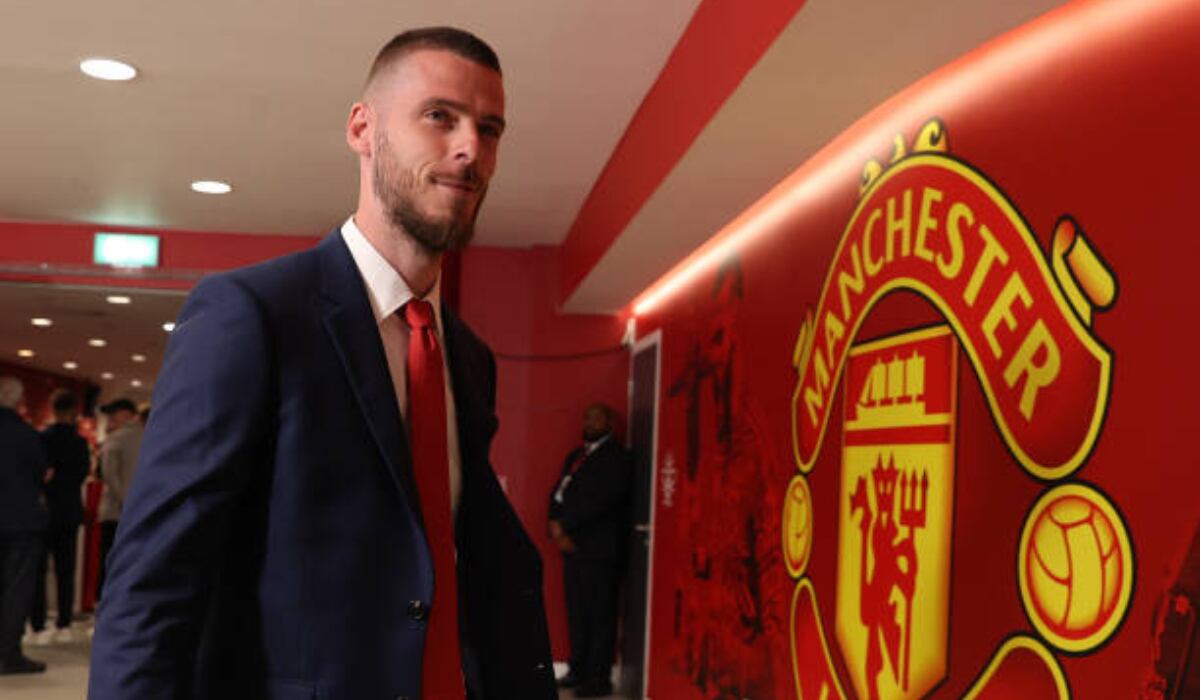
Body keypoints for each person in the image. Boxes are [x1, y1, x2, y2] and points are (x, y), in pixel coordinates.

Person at [89, 27, 555, 699]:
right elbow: (155, 581)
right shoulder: (252, 314)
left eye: (490, 128)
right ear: (363, 129)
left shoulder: (469, 358)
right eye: (440, 117)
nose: (469, 149)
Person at [547, 403, 633, 697]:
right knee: (577, 613)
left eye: (596, 417)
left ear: (609, 421)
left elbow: (601, 502)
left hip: (599, 552)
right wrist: (554, 524)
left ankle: (598, 679)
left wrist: (566, 526)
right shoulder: (577, 456)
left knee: (600, 616)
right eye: (587, 416)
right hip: (572, 551)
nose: (590, 421)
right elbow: (558, 492)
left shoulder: (617, 458)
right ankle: (578, 669)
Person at [28, 390, 91, 644]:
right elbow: (82, 474)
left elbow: (36, 474)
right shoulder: (79, 443)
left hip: (43, 511)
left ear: (53, 410)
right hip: (70, 511)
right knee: (66, 570)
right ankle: (64, 622)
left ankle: (38, 623)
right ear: (73, 411)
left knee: (39, 571)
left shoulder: (42, 439)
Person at [0, 377, 49, 675]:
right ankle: (8, 652)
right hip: (21, 522)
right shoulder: (27, 436)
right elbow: (41, 474)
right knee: (16, 589)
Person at [94, 397, 143, 603]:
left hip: (116, 512)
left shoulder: (115, 439)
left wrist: (125, 499)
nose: (111, 419)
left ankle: (104, 610)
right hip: (142, 512)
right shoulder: (150, 436)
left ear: (126, 415)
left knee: (110, 563)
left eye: (113, 414)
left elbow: (109, 474)